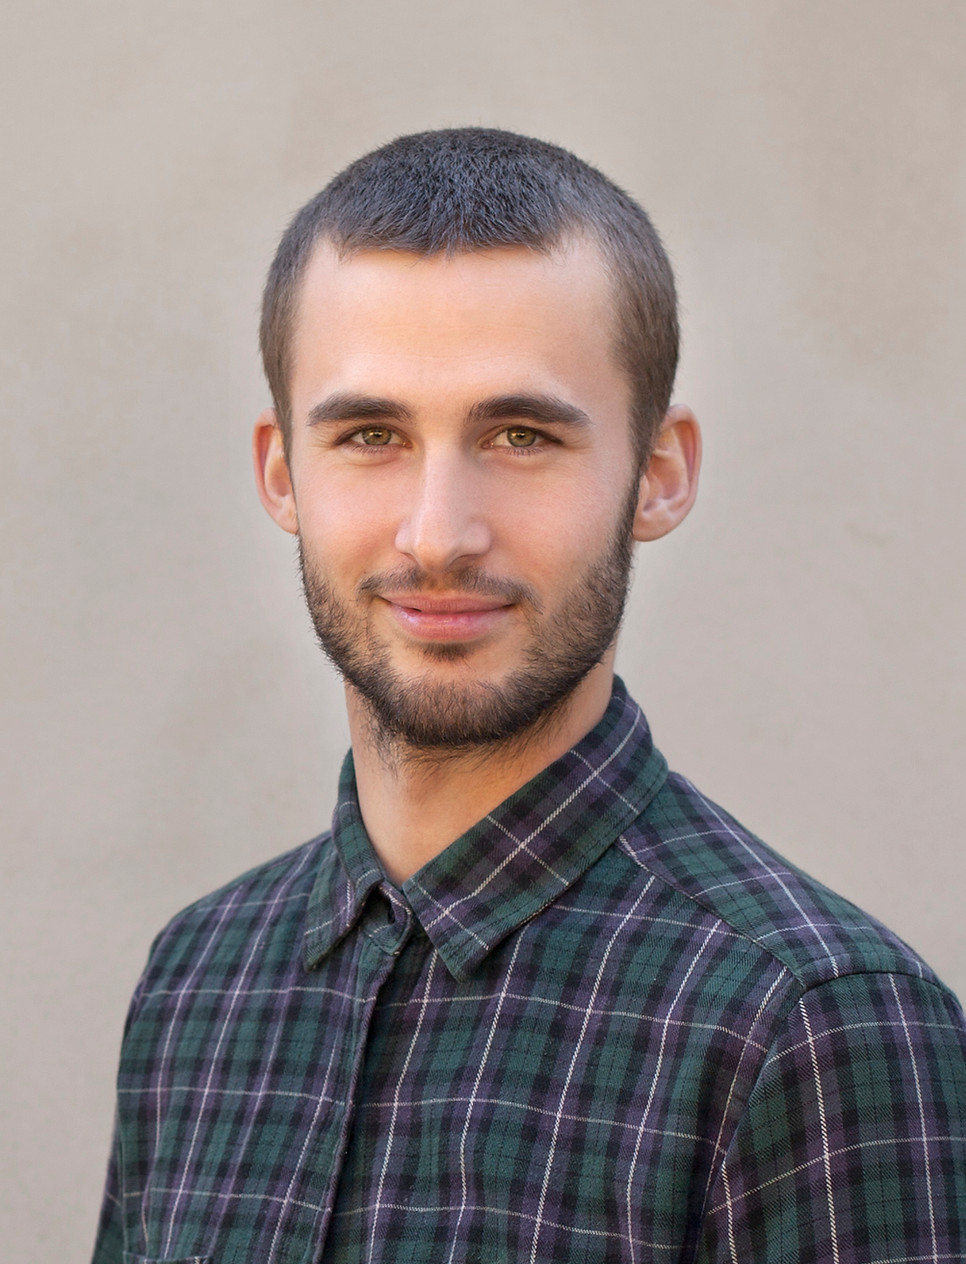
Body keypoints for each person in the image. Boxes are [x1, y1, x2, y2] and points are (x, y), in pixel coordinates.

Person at [92, 128, 966, 1264]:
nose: (438, 534)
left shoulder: (815, 1022)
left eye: (521, 434)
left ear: (659, 471)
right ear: (280, 474)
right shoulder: (198, 983)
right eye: (369, 435)